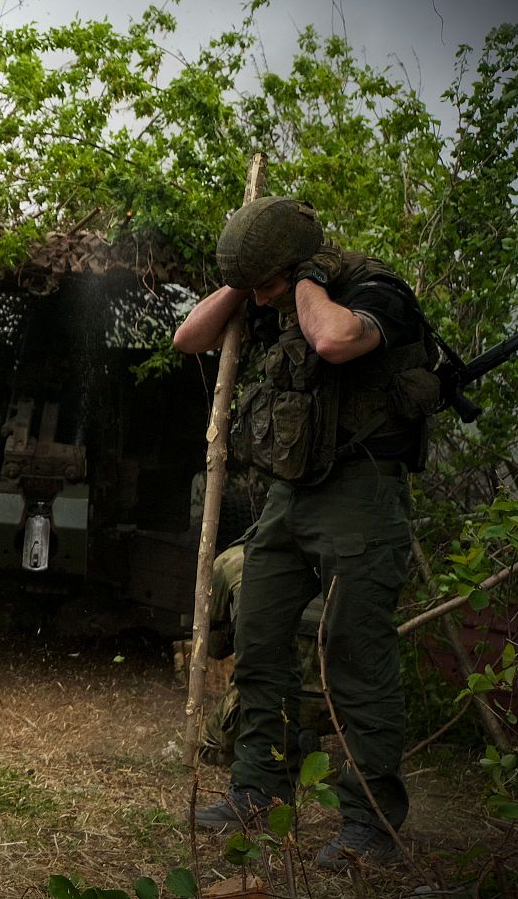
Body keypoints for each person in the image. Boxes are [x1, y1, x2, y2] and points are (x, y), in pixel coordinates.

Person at [173, 197, 439, 870]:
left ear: (299, 266)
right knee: (258, 637)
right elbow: (190, 339)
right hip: (291, 497)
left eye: (267, 283)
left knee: (355, 657)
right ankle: (257, 791)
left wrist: (307, 283)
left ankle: (370, 824)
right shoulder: (272, 294)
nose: (260, 301)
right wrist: (243, 283)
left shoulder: (375, 291)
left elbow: (333, 341)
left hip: (362, 490)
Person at [199, 543, 328, 769]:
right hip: (329, 703)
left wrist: (236, 627)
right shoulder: (323, 557)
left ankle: (281, 749)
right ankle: (300, 738)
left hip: (271, 697)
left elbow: (215, 648)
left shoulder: (231, 559)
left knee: (208, 746)